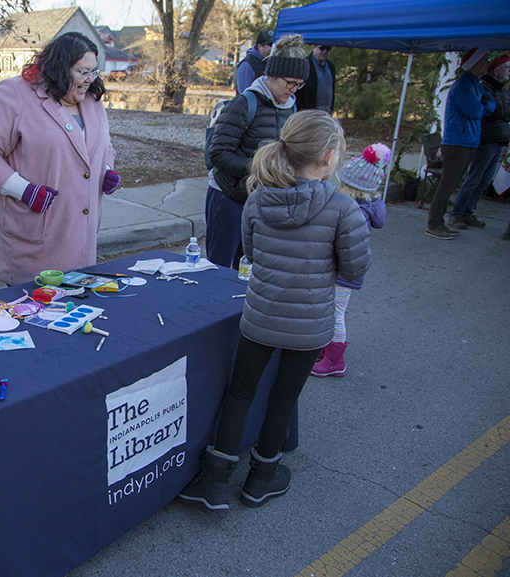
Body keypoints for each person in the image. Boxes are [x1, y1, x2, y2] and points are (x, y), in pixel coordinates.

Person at [179, 110, 372, 512]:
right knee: (283, 398)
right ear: (329, 157)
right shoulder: (343, 210)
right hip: (309, 324)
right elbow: (354, 270)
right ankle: (261, 478)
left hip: (260, 316)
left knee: (240, 392)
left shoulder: (257, 200)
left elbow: (250, 254)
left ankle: (214, 481)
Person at [0, 32, 118, 286]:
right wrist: (25, 191)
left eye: (94, 72)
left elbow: (102, 146)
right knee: (32, 313)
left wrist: (106, 169)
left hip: (79, 235)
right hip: (32, 236)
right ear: (60, 66)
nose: (89, 81)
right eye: (83, 72)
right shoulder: (14, 94)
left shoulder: (92, 100)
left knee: (72, 314)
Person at [205, 33, 309, 269]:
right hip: (228, 197)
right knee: (219, 269)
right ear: (271, 74)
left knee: (248, 268)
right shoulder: (244, 103)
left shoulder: (291, 108)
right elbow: (218, 154)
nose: (293, 89)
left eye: (298, 84)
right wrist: (261, 169)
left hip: (261, 200)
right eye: (289, 82)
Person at [311, 143, 389, 378]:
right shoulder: (366, 208)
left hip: (343, 274)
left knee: (335, 314)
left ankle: (335, 360)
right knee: (330, 311)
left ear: (351, 188)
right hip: (346, 271)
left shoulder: (354, 212)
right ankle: (327, 351)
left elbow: (346, 247)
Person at [426, 47, 496, 239]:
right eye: (484, 60)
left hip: (468, 142)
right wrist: (484, 104)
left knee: (452, 184)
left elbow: (491, 106)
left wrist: (484, 104)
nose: (488, 64)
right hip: (457, 143)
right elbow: (477, 111)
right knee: (447, 186)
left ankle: (440, 222)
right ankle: (434, 224)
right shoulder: (464, 85)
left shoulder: (476, 85)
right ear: (473, 63)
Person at [447, 52, 510, 230]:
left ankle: (467, 212)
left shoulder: (501, 90)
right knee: (474, 178)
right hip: (485, 139)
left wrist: (496, 110)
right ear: (497, 70)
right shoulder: (484, 86)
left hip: (499, 139)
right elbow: (487, 111)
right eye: (506, 68)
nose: (509, 72)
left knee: (485, 180)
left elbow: (499, 110)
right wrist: (495, 110)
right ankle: (456, 213)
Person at [295, 45, 336, 114]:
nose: (325, 51)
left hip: (326, 113)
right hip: (309, 114)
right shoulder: (305, 64)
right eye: (322, 48)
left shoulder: (331, 66)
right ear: (314, 47)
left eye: (328, 49)